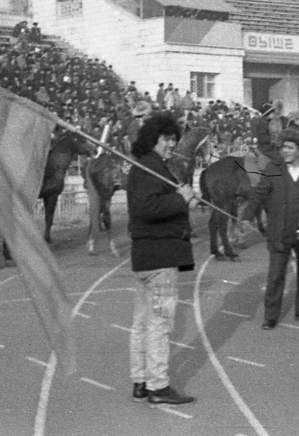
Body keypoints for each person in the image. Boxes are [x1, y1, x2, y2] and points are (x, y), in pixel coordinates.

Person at [126, 112, 195, 406]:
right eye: (166, 139)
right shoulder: (150, 168)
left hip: (146, 257)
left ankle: (141, 381)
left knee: (143, 322)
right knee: (159, 323)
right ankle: (158, 386)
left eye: (173, 139)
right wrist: (182, 198)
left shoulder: (148, 167)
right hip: (159, 257)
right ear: (153, 138)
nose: (171, 144)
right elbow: (147, 207)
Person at [244, 127, 299, 328]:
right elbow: (259, 192)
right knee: (276, 276)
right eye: (283, 147)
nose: (285, 151)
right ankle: (270, 317)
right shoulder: (273, 168)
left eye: (289, 147)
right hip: (279, 230)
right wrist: (247, 216)